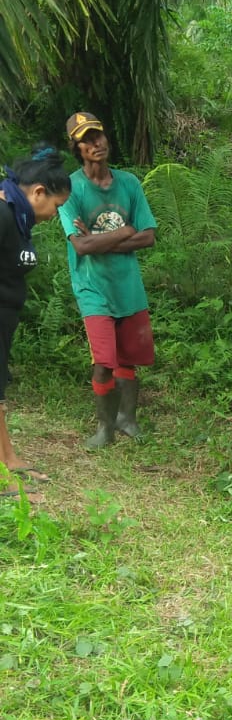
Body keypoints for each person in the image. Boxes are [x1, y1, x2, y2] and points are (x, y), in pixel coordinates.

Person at [58, 112, 157, 448]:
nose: (95, 144)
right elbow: (81, 246)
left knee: (128, 357)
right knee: (103, 361)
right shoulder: (70, 190)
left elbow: (148, 236)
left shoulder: (128, 183)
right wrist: (126, 230)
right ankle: (105, 429)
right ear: (77, 148)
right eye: (86, 140)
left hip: (127, 284)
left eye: (98, 135)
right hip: (92, 287)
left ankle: (127, 419)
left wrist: (110, 238)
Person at [1, 146, 71, 486]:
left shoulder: (16, 216)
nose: (56, 214)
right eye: (57, 206)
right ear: (39, 192)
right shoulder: (2, 213)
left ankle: (7, 460)